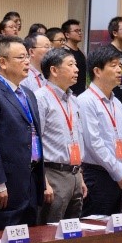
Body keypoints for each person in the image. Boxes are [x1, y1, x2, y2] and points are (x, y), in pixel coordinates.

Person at [0, 36, 45, 230]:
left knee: (30, 239)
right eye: (20, 57)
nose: (27, 62)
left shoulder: (29, 93)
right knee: (3, 238)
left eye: (27, 57)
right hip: (8, 183)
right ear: (2, 62)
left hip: (32, 178)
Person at [78, 46, 122, 216]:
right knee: (97, 228)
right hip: (98, 176)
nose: (120, 70)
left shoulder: (117, 103)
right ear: (97, 71)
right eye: (113, 65)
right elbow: (94, 143)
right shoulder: (85, 101)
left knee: (117, 228)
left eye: (119, 65)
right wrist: (119, 172)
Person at [36, 48, 88, 223]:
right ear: (54, 70)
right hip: (53, 174)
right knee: (50, 230)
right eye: (70, 65)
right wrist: (43, 181)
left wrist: (79, 176)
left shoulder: (74, 100)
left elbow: (77, 138)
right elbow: (35, 142)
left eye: (76, 65)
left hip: (74, 173)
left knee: (72, 230)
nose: (77, 69)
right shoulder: (40, 98)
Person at [62, 19, 87, 96]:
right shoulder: (64, 52)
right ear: (67, 35)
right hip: (70, 94)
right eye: (76, 31)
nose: (80, 33)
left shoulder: (82, 52)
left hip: (82, 94)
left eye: (80, 30)